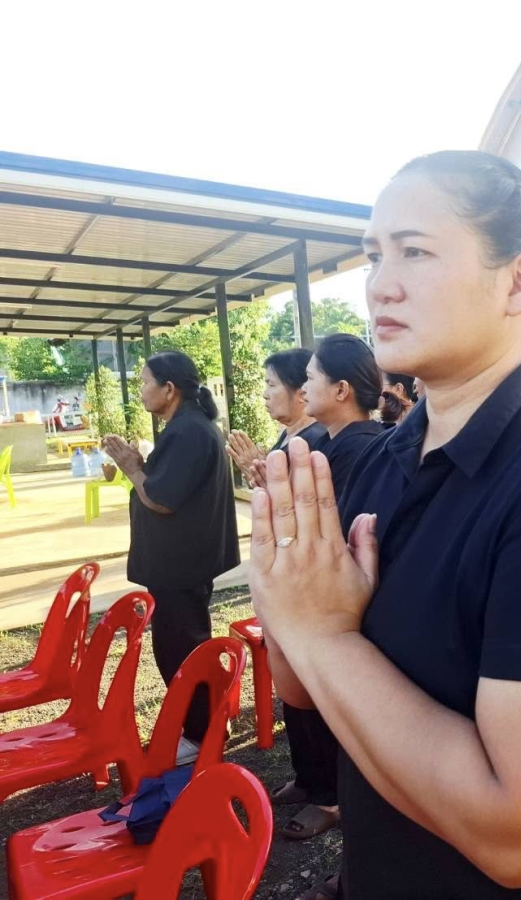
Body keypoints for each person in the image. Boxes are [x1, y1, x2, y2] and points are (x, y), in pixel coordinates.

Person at [248, 150, 521, 899]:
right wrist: (286, 596)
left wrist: (324, 635)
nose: (380, 284)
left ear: (519, 282)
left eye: (415, 251)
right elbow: (304, 690)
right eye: (374, 255)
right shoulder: (386, 460)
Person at [102, 351, 240, 765]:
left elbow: (161, 499)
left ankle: (200, 735)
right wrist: (139, 465)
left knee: (180, 649)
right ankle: (207, 723)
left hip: (181, 564)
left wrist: (132, 467)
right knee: (185, 643)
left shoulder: (189, 431)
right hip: (182, 562)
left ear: (169, 388)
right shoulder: (186, 427)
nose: (141, 390)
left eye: (145, 382)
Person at [274, 332, 384, 845]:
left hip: (341, 597)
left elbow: (337, 526)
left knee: (327, 701)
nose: (303, 388)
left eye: (311, 378)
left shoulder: (362, 447)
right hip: (313, 588)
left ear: (341, 390)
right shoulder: (328, 442)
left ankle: (334, 795)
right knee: (302, 694)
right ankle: (312, 779)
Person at [227, 347, 327, 489]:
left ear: (302, 393)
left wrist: (256, 472)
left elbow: (301, 498)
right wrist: (260, 469)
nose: (265, 394)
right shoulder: (289, 432)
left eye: (272, 385)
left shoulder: (314, 440)